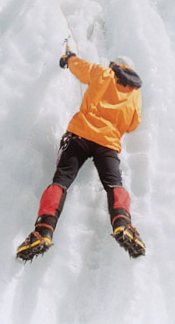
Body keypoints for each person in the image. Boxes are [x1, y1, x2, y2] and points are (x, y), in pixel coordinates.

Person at [16, 49, 145, 261]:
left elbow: (81, 68)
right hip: (108, 143)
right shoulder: (135, 94)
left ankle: (43, 230)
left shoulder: (104, 73)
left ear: (116, 65)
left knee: (61, 180)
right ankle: (123, 224)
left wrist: (68, 59)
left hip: (80, 135)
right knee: (114, 184)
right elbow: (133, 124)